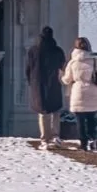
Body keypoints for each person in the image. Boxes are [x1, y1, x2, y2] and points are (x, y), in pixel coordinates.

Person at [61, 33, 97, 150]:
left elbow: (67, 80)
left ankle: (83, 143)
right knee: (91, 118)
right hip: (92, 91)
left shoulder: (72, 63)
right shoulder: (94, 61)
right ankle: (93, 138)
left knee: (80, 120)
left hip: (78, 91)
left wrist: (61, 76)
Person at [30, 18, 66, 148]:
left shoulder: (34, 51)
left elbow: (28, 68)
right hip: (54, 83)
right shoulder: (58, 51)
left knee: (42, 111)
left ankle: (44, 138)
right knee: (55, 110)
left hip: (38, 83)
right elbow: (63, 67)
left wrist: (31, 81)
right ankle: (55, 135)